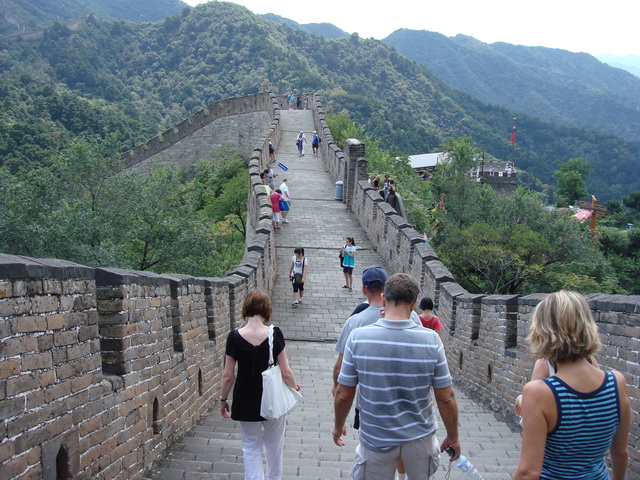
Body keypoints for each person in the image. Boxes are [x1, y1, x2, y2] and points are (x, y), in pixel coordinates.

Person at [333, 273, 461, 480]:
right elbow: (446, 397)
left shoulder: (358, 338)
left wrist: (338, 426)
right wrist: (453, 436)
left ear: (384, 299)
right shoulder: (432, 341)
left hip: (376, 437)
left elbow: (343, 394)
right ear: (414, 305)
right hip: (420, 437)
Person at [513, 290, 631, 480]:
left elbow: (529, 472)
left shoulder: (539, 392)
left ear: (542, 331)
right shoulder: (616, 382)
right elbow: (620, 453)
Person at [220, 290, 299, 480]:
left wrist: (223, 399)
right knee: (274, 447)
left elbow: (228, 376)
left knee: (250, 447)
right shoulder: (275, 334)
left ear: (246, 308)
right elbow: (286, 372)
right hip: (273, 398)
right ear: (267, 310)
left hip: (245, 399)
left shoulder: (234, 337)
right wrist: (294, 387)